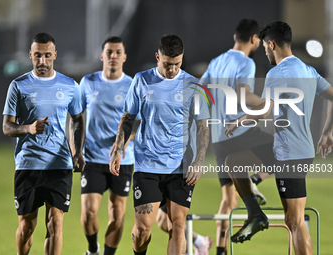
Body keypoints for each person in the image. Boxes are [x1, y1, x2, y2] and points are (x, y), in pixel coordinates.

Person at [224, 21, 333, 255]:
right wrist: (328, 132)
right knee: (233, 162)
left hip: (290, 155)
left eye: (265, 47)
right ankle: (255, 214)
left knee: (294, 222)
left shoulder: (277, 73)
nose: (265, 51)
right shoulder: (307, 70)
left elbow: (264, 111)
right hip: (289, 149)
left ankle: (255, 211)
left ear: (271, 44)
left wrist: (239, 120)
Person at [109, 34, 210, 255]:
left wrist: (199, 161)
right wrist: (118, 148)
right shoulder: (142, 80)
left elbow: (203, 126)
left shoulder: (194, 85)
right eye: (167, 64)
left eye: (177, 64)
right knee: (143, 228)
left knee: (178, 226)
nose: (172, 69)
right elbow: (128, 117)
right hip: (148, 165)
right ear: (157, 57)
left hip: (180, 166)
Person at [2, 33, 85, 255]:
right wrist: (27, 128)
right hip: (28, 165)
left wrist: (78, 153)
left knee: (55, 223)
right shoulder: (18, 86)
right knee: (27, 226)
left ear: (54, 55)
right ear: (30, 55)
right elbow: (7, 127)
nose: (42, 61)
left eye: (47, 56)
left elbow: (78, 120)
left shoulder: (70, 86)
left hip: (59, 164)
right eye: (37, 55)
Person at [200, 19, 273, 255]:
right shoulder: (246, 63)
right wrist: (265, 102)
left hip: (219, 139)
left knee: (228, 199)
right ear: (254, 39)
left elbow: (201, 90)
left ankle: (221, 250)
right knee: (286, 149)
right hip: (240, 132)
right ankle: (255, 180)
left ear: (235, 37)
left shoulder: (216, 61)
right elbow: (244, 95)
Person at [79, 36, 139, 255]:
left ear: (124, 56)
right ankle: (93, 248)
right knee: (89, 211)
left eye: (117, 52)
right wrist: (76, 150)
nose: (113, 56)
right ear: (102, 55)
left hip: (123, 159)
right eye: (109, 52)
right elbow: (76, 117)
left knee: (117, 214)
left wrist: (125, 141)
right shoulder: (88, 82)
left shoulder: (132, 84)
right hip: (93, 157)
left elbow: (139, 121)